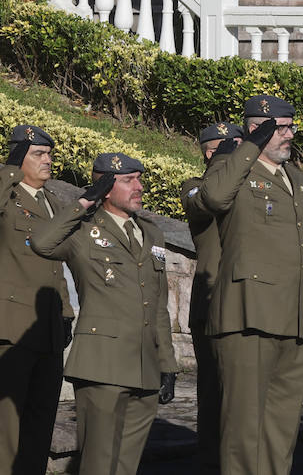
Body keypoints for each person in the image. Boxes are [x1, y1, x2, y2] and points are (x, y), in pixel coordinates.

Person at [31, 153, 177, 475]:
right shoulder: (83, 231)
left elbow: (158, 303)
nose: (139, 187)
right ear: (106, 187)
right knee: (98, 465)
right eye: (128, 180)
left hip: (146, 366)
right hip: (102, 366)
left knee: (127, 467)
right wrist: (83, 202)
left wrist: (167, 363)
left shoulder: (151, 233)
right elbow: (41, 242)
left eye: (139, 178)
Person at [200, 96, 303, 475]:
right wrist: (250, 146)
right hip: (249, 313)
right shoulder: (230, 167)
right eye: (279, 127)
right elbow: (214, 197)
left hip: (294, 315)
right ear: (256, 128)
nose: (289, 134)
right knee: (244, 431)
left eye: (290, 126)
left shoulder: (296, 178)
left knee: (281, 433)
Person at [0, 125, 72, 475]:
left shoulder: (55, 203)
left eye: (49, 154)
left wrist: (67, 312)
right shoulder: (8, 196)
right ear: (17, 157)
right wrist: (9, 170)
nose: (48, 161)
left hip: (49, 328)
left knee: (40, 421)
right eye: (37, 154)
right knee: (7, 426)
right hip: (12, 326)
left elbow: (57, 267)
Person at [181, 122, 243, 472]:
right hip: (212, 302)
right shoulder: (195, 188)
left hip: (245, 303)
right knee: (214, 396)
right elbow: (210, 203)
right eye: (226, 147)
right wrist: (224, 164)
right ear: (210, 152)